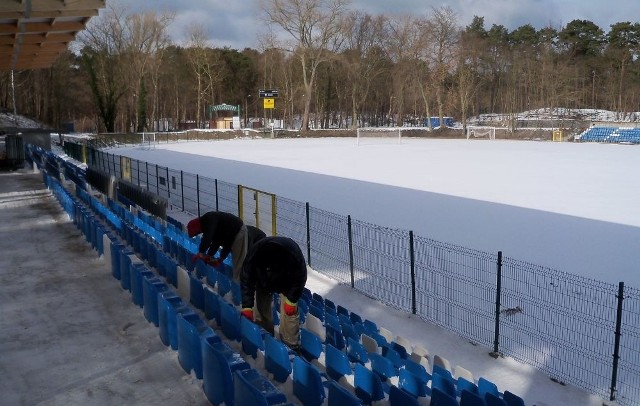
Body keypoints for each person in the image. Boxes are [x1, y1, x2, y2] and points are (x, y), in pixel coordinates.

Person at [240, 236, 307, 350]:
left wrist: (291, 300)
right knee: (260, 307)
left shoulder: (293, 257)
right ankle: (264, 335)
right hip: (263, 281)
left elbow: (299, 278)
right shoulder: (253, 257)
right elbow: (246, 281)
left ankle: (291, 344)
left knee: (289, 312)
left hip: (286, 281)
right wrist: (247, 307)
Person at [186, 211, 248, 281]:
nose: (198, 233)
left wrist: (201, 252)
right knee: (237, 263)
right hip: (232, 236)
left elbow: (208, 238)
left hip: (240, 232)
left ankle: (240, 287)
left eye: (196, 233)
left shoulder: (208, 219)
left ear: (196, 227)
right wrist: (212, 256)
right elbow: (217, 241)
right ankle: (237, 283)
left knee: (239, 264)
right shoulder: (212, 226)